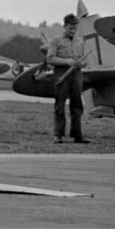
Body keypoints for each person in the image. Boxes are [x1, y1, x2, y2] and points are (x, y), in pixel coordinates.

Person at [45, 14, 89, 143]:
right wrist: (66, 62)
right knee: (60, 104)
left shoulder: (80, 42)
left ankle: (77, 135)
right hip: (61, 74)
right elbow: (50, 58)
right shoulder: (56, 40)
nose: (73, 31)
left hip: (76, 74)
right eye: (70, 28)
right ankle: (58, 135)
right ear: (64, 26)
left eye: (75, 28)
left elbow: (85, 60)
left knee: (77, 105)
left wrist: (82, 63)